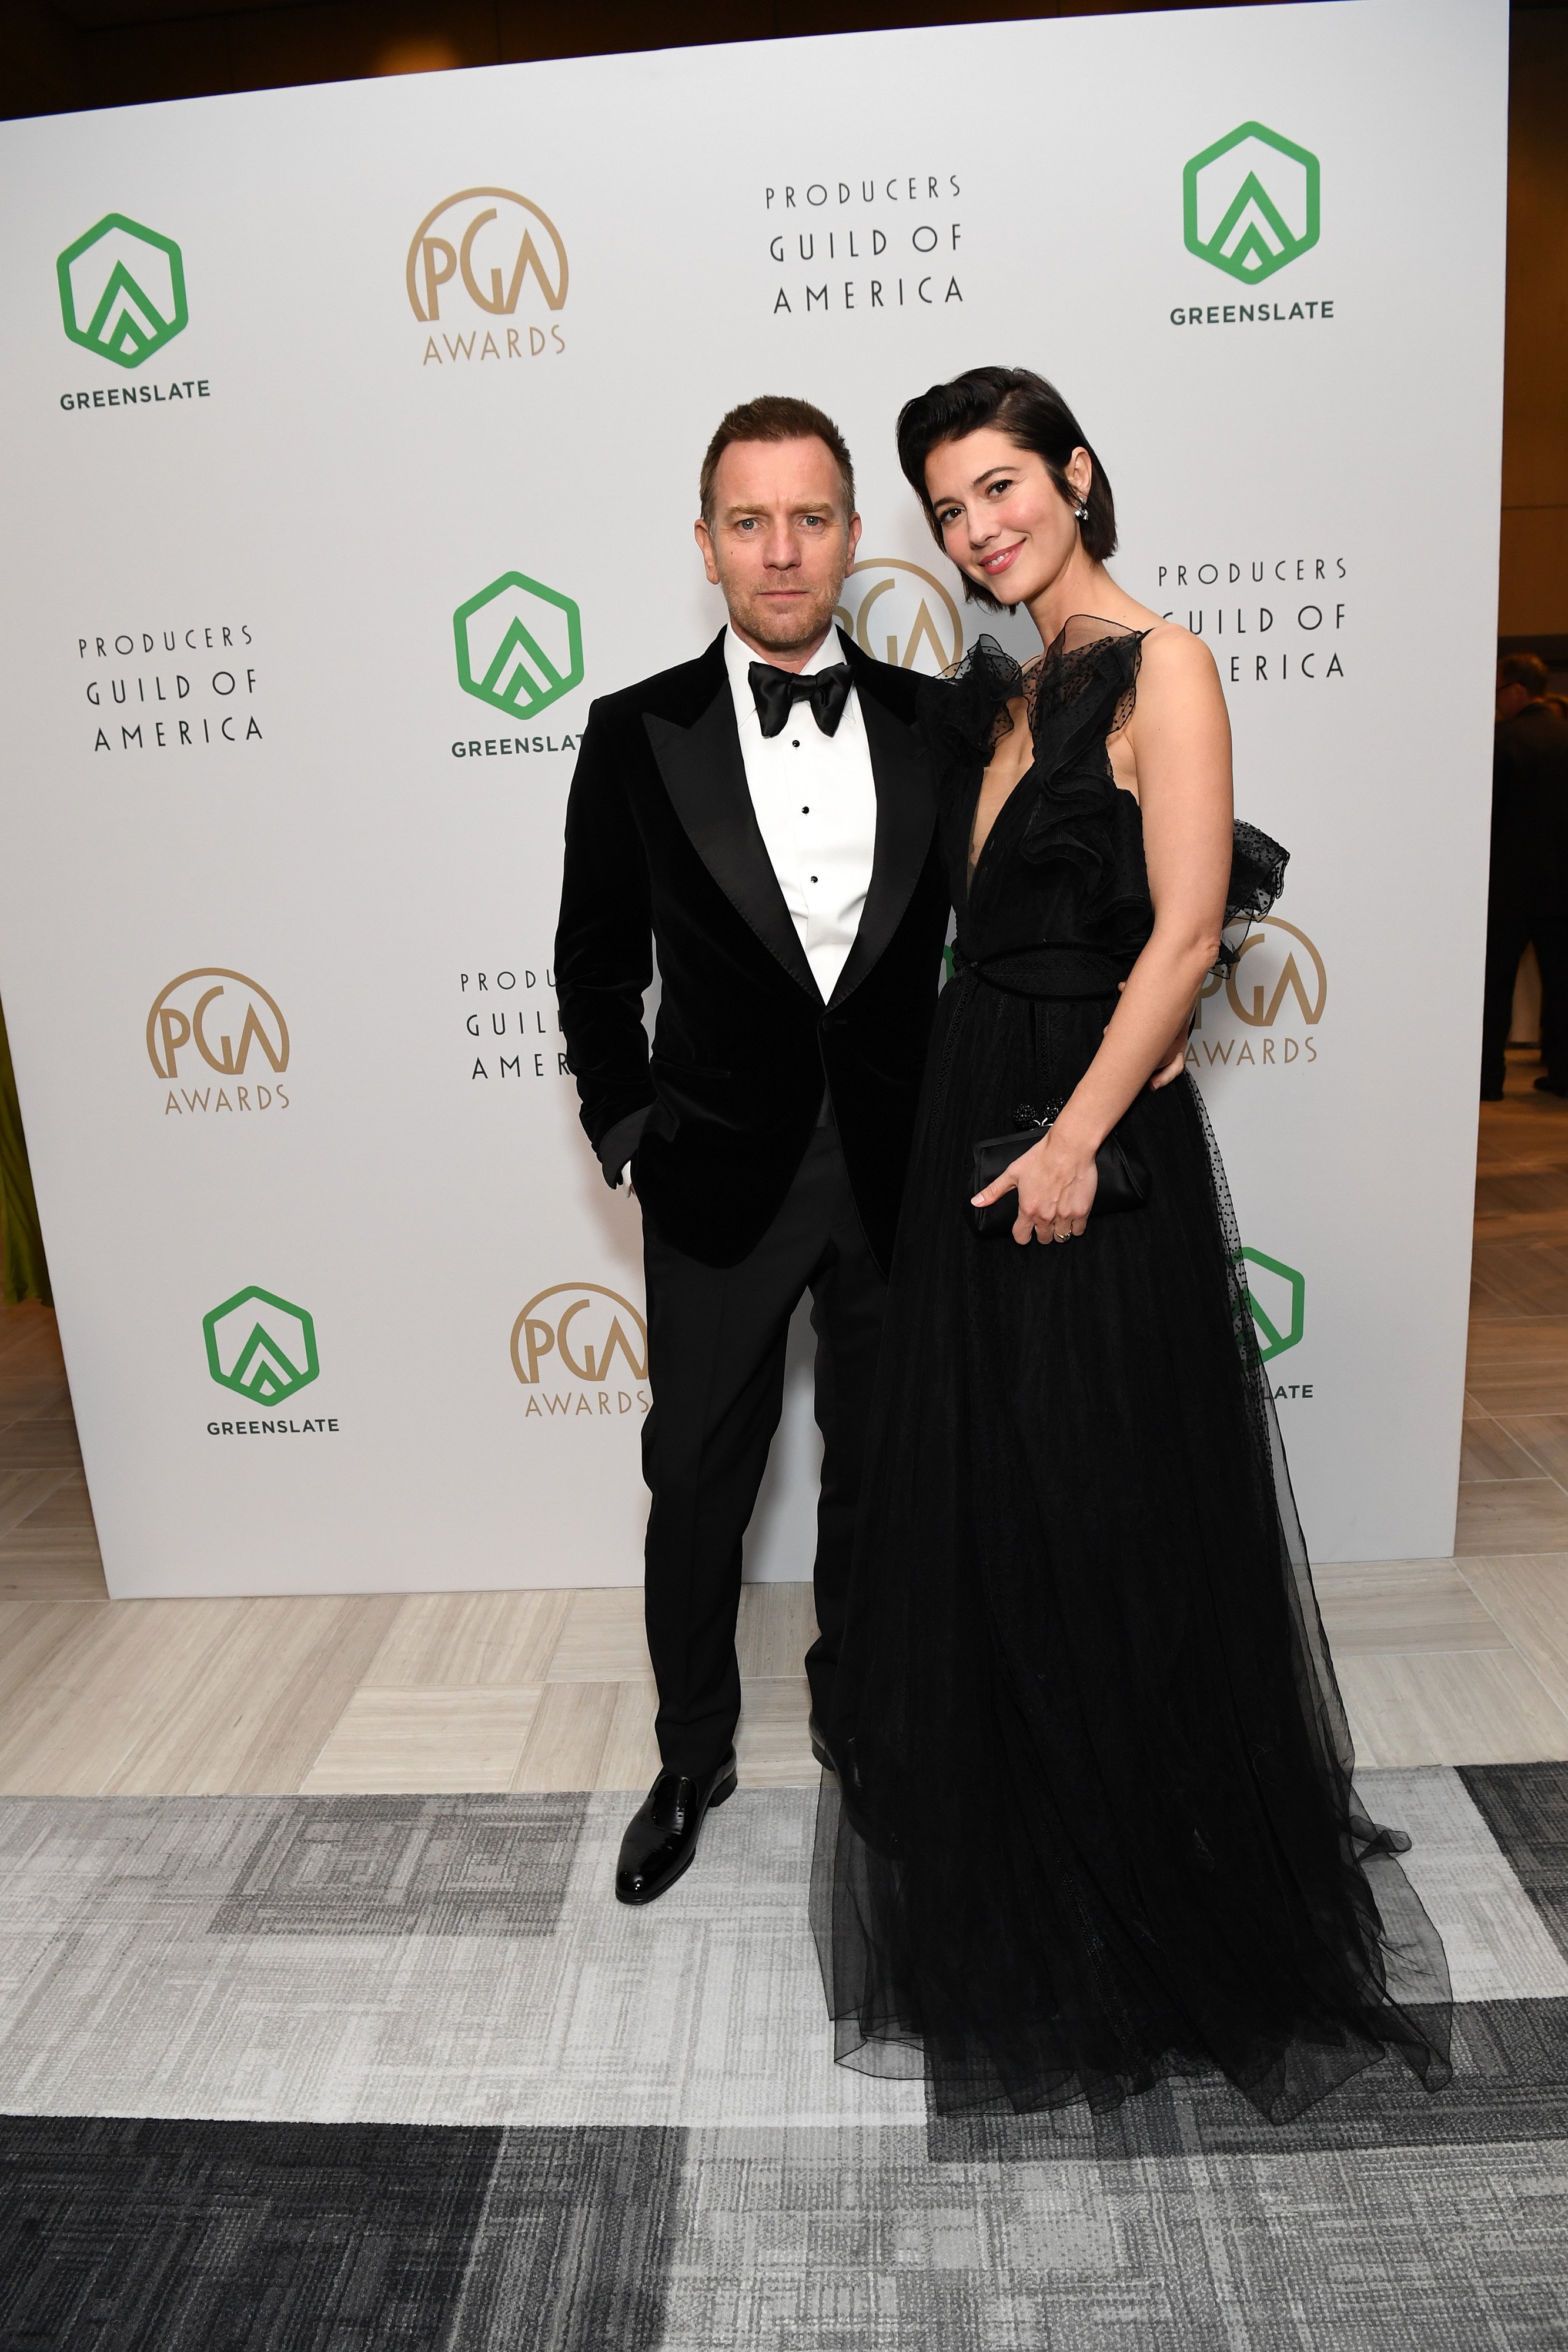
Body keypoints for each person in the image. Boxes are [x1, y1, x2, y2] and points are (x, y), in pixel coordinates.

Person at [814, 366, 1451, 2124]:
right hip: (977, 1106)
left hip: (1077, 1137)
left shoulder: (1165, 664)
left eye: (1003, 484)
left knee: (1102, 1494)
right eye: (946, 507)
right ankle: (1027, 1842)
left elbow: (1180, 935)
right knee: (1000, 1494)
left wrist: (1084, 1132)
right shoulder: (998, 692)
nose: (978, 526)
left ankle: (1139, 1883)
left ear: (1079, 474)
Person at [554, 396, 949, 1905]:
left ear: (854, 533)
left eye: (812, 517)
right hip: (717, 1171)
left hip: (906, 1175)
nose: (782, 552)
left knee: (882, 1473)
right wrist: (630, 1126)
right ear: (706, 539)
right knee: (700, 1481)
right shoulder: (631, 729)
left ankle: (863, 1725)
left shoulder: (938, 720)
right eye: (749, 519)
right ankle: (692, 1752)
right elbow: (593, 959)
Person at [1480, 653, 1568, 1100]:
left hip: (1508, 888)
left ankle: (1487, 1079)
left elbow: (1486, 819)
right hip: (1561, 889)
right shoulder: (1563, 737)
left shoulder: (1504, 741)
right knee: (1562, 985)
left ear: (1516, 690)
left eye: (1496, 691)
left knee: (1493, 987)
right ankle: (1563, 1073)